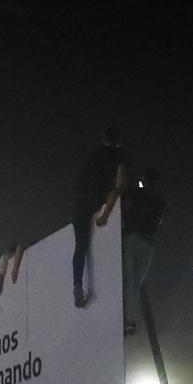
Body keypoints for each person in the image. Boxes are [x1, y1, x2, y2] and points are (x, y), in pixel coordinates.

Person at [69, 126, 126, 308]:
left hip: (78, 201)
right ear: (118, 141)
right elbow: (119, 186)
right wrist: (106, 213)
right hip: (97, 197)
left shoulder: (91, 155)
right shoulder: (119, 156)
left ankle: (77, 284)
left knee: (80, 245)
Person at [118, 167, 165, 335]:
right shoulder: (160, 201)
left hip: (131, 238)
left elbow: (123, 191)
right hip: (148, 244)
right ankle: (129, 317)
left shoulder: (138, 194)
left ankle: (128, 319)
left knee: (128, 280)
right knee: (136, 283)